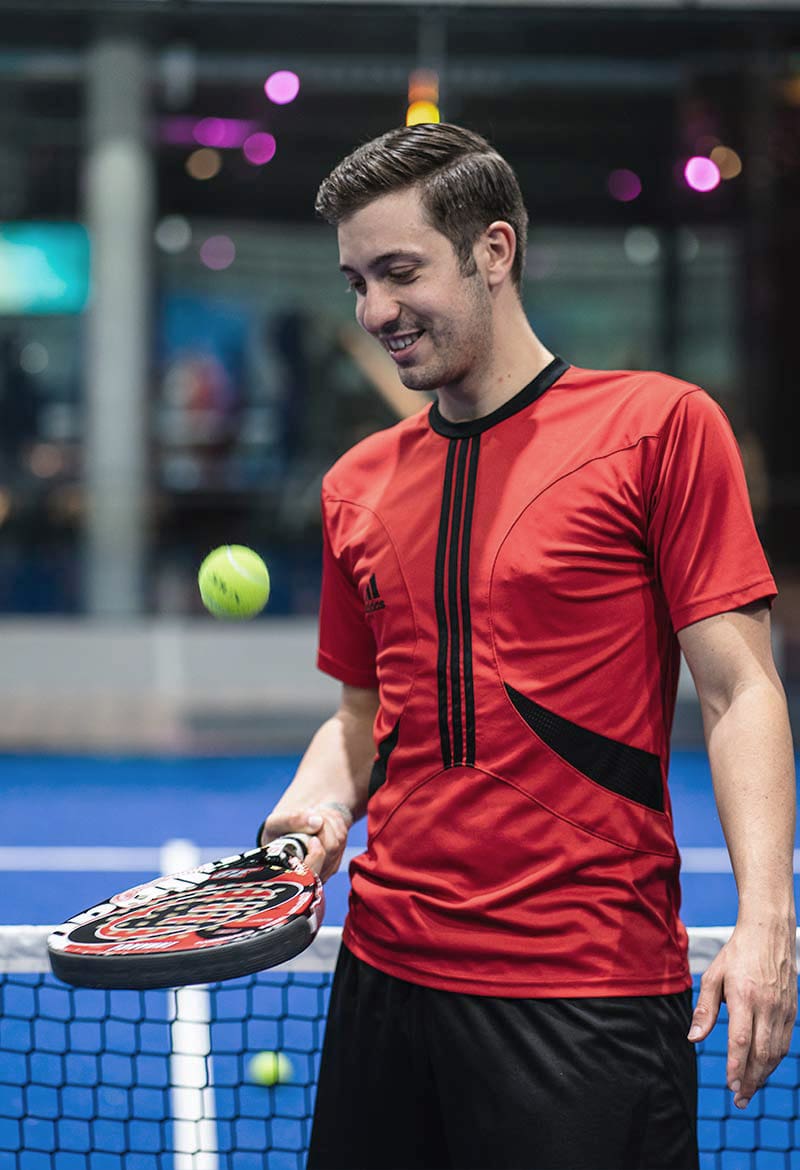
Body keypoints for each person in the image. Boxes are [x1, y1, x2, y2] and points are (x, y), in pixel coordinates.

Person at [259, 123, 797, 1170]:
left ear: (492, 251)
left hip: (583, 998)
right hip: (383, 986)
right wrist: (317, 805)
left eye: (399, 271)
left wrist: (766, 920)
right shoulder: (354, 485)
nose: (373, 312)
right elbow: (360, 723)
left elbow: (739, 693)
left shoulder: (659, 427)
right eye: (355, 281)